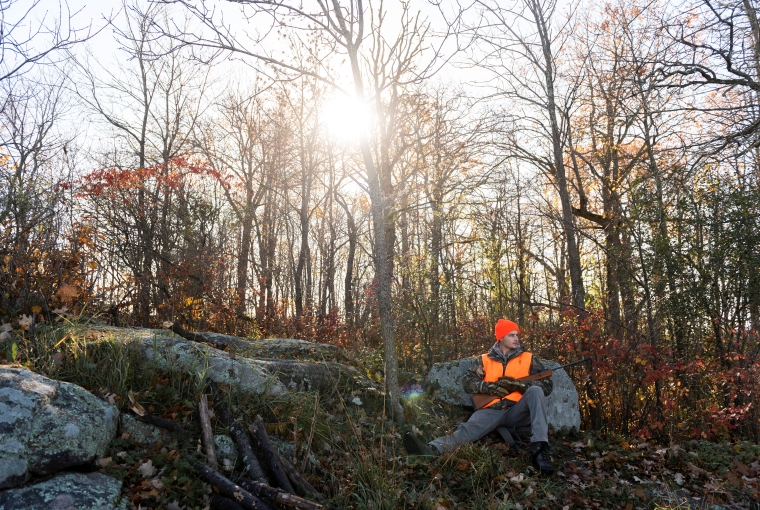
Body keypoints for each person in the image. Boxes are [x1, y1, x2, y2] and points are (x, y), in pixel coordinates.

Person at [403, 319, 554, 474]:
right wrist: (490, 388)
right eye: (511, 335)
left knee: (536, 391)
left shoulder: (529, 359)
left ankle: (539, 451)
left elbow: (547, 387)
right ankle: (431, 449)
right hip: (491, 410)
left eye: (517, 335)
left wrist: (519, 386)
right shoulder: (484, 360)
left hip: (517, 411)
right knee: (467, 429)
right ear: (501, 337)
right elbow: (467, 383)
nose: (517, 338)